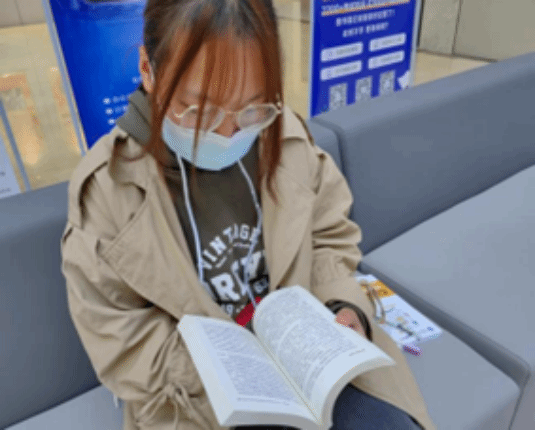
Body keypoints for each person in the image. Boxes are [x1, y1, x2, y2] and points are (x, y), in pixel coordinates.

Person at [60, 0, 436, 429]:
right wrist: (233, 372)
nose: (229, 133)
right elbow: (121, 338)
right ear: (148, 70)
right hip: (196, 399)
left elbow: (329, 236)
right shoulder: (107, 191)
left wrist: (343, 307)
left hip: (310, 366)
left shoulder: (283, 136)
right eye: (200, 111)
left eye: (252, 107)